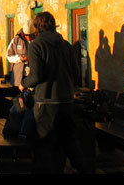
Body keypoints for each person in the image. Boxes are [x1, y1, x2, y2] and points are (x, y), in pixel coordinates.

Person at [20, 11, 89, 173]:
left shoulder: (36, 45)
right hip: (66, 101)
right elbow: (76, 73)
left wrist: (23, 84)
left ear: (37, 27)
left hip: (46, 103)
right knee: (69, 144)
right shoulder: (65, 44)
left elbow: (36, 76)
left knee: (45, 145)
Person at [6, 19, 36, 87]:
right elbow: (8, 56)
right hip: (18, 78)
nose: (28, 37)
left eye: (31, 35)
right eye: (26, 35)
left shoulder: (37, 41)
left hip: (32, 77)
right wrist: (19, 58)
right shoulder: (16, 40)